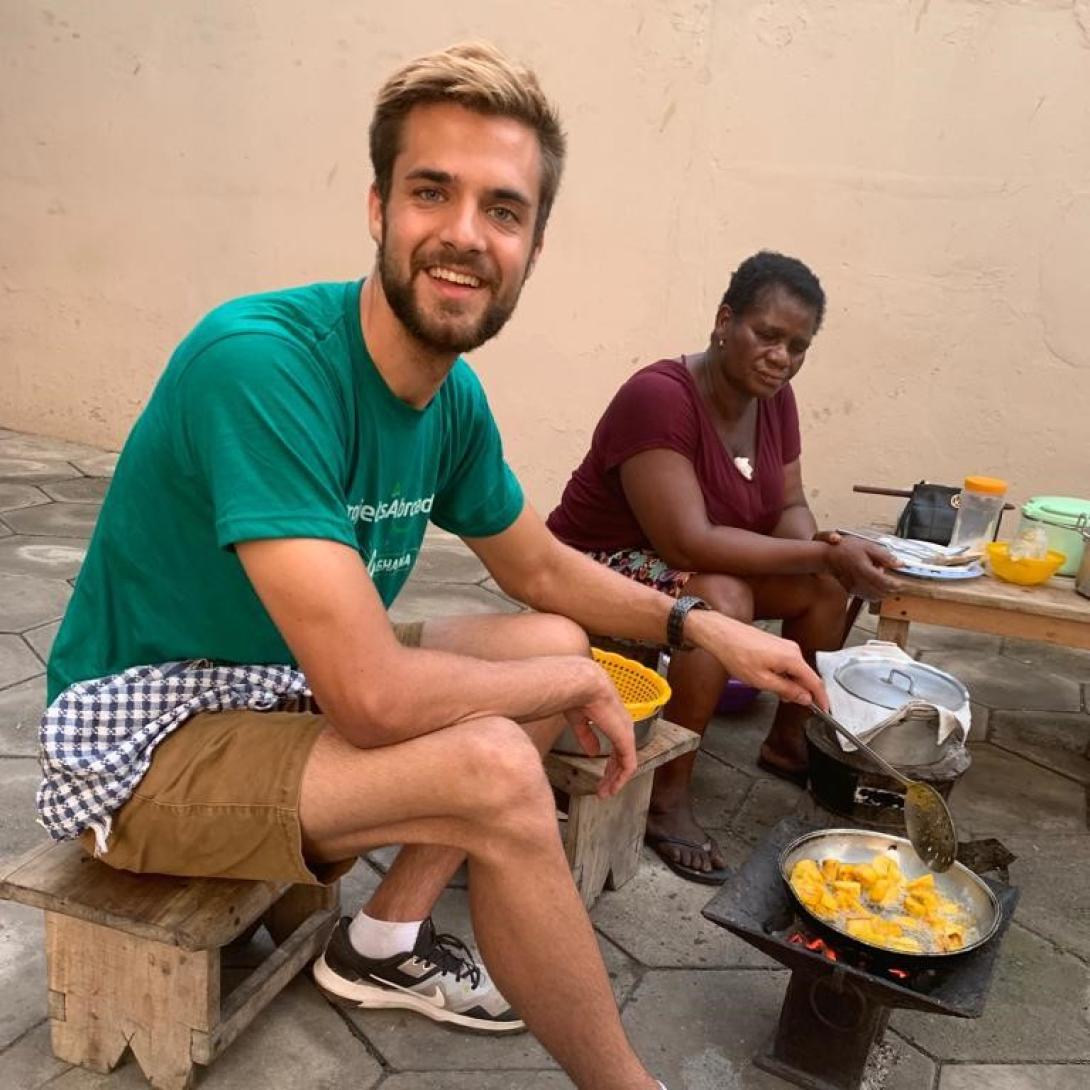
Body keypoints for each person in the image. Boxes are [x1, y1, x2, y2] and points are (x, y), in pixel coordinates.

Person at [39, 48, 826, 1090]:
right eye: (430, 192)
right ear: (377, 208)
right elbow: (368, 696)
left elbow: (540, 570)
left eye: (502, 209)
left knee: (546, 638)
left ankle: (383, 940)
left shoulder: (448, 401)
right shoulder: (262, 364)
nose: (464, 232)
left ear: (533, 247)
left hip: (274, 680)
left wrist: (695, 627)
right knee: (499, 765)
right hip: (145, 738)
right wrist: (572, 680)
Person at [547, 251, 898, 885]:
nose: (781, 357)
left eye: (798, 346)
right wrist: (822, 550)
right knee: (720, 599)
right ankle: (667, 795)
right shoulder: (658, 396)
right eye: (767, 335)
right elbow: (687, 543)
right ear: (724, 320)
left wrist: (823, 554)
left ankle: (792, 741)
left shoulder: (775, 401)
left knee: (822, 586)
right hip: (587, 567)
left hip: (689, 559)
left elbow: (789, 505)